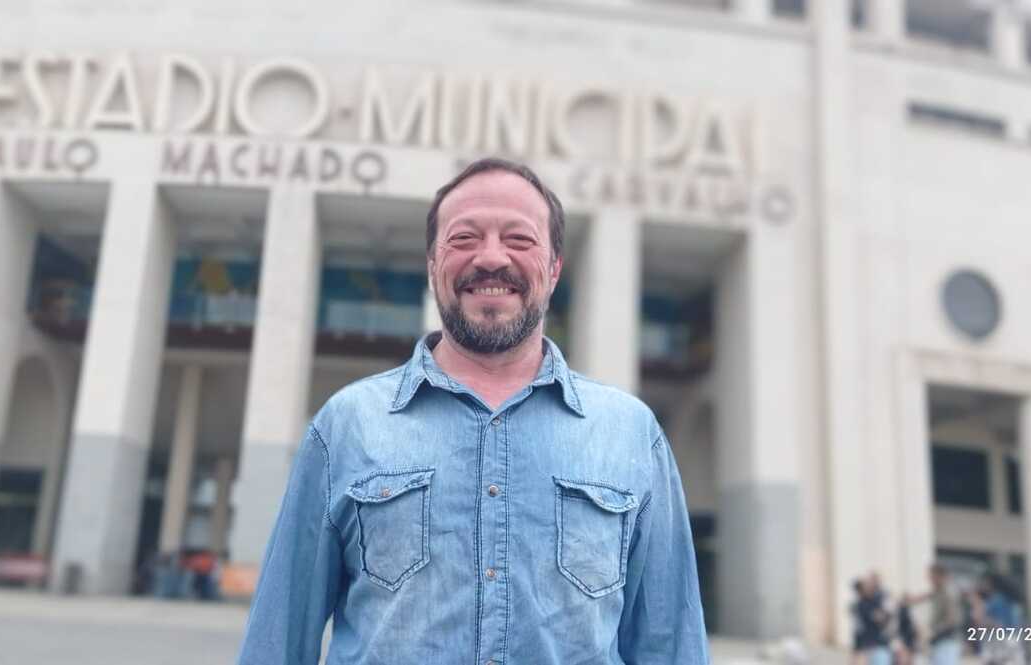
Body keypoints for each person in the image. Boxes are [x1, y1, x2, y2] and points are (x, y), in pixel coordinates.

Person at [236, 158, 709, 663]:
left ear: (553, 268)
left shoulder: (630, 435)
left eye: (519, 240)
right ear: (432, 265)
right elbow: (277, 642)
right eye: (463, 238)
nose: (491, 257)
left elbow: (671, 644)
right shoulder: (347, 425)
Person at [904, 563, 964, 665]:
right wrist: (910, 600)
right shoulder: (938, 590)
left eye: (931, 576)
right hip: (939, 641)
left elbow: (952, 619)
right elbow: (925, 596)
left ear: (940, 576)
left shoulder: (949, 592)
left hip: (947, 641)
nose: (929, 579)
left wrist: (932, 632)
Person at [853, 573, 893, 665]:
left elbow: (887, 615)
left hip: (881, 645)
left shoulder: (881, 597)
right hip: (868, 646)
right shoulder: (862, 604)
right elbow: (879, 617)